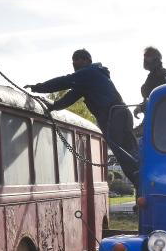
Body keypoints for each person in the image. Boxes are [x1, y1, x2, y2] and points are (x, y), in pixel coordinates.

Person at [26, 49, 140, 187]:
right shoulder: (89, 79)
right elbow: (71, 97)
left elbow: (64, 81)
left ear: (87, 60)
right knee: (130, 157)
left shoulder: (89, 73)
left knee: (126, 157)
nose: (74, 63)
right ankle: (142, 185)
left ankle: (142, 184)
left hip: (115, 117)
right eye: (73, 60)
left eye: (78, 59)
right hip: (119, 115)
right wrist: (54, 106)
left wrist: (39, 87)